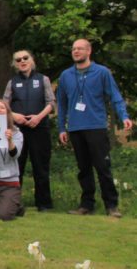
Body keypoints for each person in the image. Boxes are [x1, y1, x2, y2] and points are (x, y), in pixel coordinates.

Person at [57, 39, 133, 218]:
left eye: (80, 48)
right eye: (74, 48)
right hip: (75, 127)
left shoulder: (102, 72)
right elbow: (61, 103)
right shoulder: (66, 75)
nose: (76, 51)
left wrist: (124, 116)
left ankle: (111, 205)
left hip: (96, 126)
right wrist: (61, 127)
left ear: (88, 51)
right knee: (83, 169)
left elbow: (115, 96)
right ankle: (86, 205)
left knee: (102, 167)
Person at [2, 50, 55, 211]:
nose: (22, 61)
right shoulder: (12, 82)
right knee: (17, 166)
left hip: (39, 128)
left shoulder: (43, 79)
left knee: (41, 167)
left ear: (32, 60)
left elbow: (51, 103)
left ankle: (44, 203)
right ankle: (15, 202)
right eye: (18, 60)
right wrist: (14, 115)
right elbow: (3, 104)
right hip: (19, 130)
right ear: (15, 64)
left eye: (25, 58)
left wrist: (39, 117)